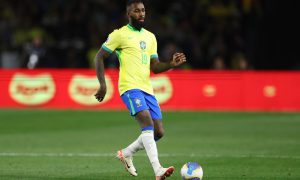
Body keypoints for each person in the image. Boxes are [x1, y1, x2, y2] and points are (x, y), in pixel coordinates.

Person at [94, 0, 186, 179]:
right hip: (129, 87)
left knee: (158, 131)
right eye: (137, 11)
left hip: (147, 88)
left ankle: (127, 153)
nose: (141, 14)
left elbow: (155, 66)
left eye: (143, 10)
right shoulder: (119, 34)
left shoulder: (150, 37)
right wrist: (103, 84)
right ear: (129, 14)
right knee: (147, 124)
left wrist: (170, 64)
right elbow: (99, 57)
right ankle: (158, 170)